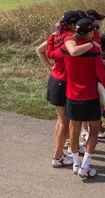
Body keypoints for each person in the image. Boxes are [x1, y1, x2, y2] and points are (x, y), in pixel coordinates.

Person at [35, 11, 95, 167]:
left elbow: (40, 50)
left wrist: (51, 68)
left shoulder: (56, 34)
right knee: (64, 122)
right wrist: (91, 44)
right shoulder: (68, 37)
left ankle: (66, 150)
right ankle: (58, 157)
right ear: (74, 25)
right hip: (62, 82)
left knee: (61, 121)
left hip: (55, 80)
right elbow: (74, 52)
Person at [56, 18, 105, 179]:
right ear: (88, 32)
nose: (95, 32)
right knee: (94, 131)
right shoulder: (93, 51)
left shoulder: (66, 48)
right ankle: (85, 166)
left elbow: (54, 54)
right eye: (92, 30)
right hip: (90, 96)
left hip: (72, 95)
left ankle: (75, 163)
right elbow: (102, 76)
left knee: (74, 131)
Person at [82, 9, 105, 139]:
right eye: (99, 19)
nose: (100, 21)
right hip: (91, 71)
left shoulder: (96, 33)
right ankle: (85, 129)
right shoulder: (86, 35)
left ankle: (96, 126)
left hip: (98, 66)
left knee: (97, 100)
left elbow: (97, 50)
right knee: (87, 100)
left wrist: (104, 56)